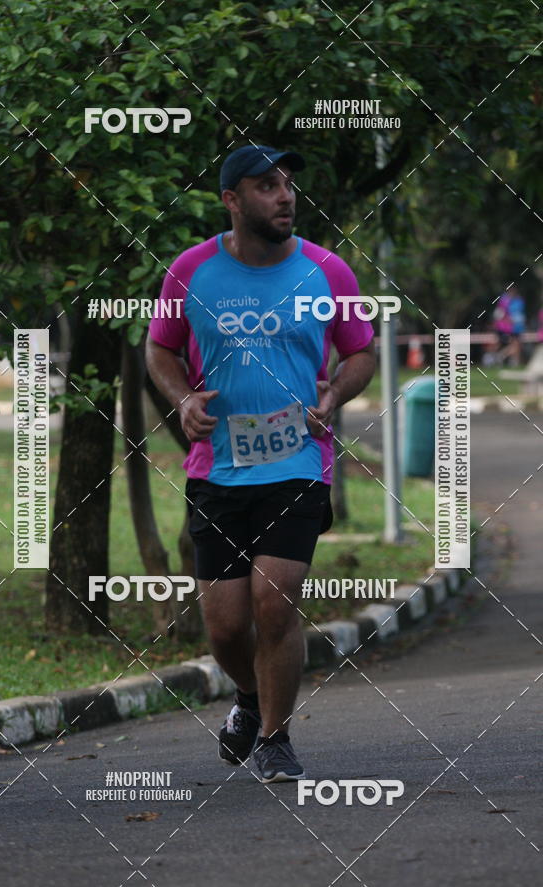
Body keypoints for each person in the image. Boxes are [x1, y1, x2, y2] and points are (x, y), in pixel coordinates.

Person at [146, 145, 376, 783]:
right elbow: (159, 349)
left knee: (274, 605)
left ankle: (275, 738)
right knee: (224, 627)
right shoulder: (189, 272)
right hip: (215, 468)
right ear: (232, 200)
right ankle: (249, 697)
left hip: (299, 461)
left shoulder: (330, 271)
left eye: (288, 185)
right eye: (267, 186)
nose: (285, 196)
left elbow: (361, 353)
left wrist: (333, 393)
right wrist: (183, 397)